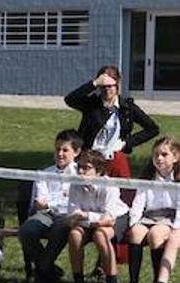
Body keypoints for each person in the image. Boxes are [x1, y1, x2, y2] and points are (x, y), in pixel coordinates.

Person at [66, 66, 161, 267]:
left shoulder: (126, 107)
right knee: (91, 200)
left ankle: (108, 261)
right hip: (92, 159)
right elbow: (70, 99)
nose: (107, 90)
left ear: (118, 85)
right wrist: (94, 84)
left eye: (111, 85)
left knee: (121, 206)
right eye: (104, 86)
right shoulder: (92, 104)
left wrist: (127, 143)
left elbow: (152, 128)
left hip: (116, 160)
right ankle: (90, 243)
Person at [18, 130, 79, 283]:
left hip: (67, 217)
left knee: (60, 228)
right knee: (26, 230)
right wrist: (52, 204)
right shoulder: (45, 173)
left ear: (76, 152)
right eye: (57, 149)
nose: (60, 153)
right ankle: (49, 269)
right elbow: (40, 201)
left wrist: (51, 203)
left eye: (65, 150)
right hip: (45, 215)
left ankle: (42, 270)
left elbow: (71, 203)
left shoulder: (80, 174)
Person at [61, 151, 126, 283]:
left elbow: (108, 219)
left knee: (100, 235)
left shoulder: (109, 186)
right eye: (80, 167)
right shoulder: (75, 184)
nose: (82, 171)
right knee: (75, 235)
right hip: (90, 221)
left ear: (99, 171)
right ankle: (78, 281)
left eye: (87, 168)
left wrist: (85, 215)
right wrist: (87, 218)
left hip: (117, 217)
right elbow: (72, 218)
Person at [123, 136, 178, 283]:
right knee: (136, 233)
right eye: (156, 155)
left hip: (169, 217)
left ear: (176, 157)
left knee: (156, 235)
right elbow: (138, 203)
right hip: (149, 215)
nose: (159, 158)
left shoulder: (177, 178)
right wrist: (134, 222)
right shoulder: (148, 175)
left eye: (164, 154)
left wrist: (176, 228)